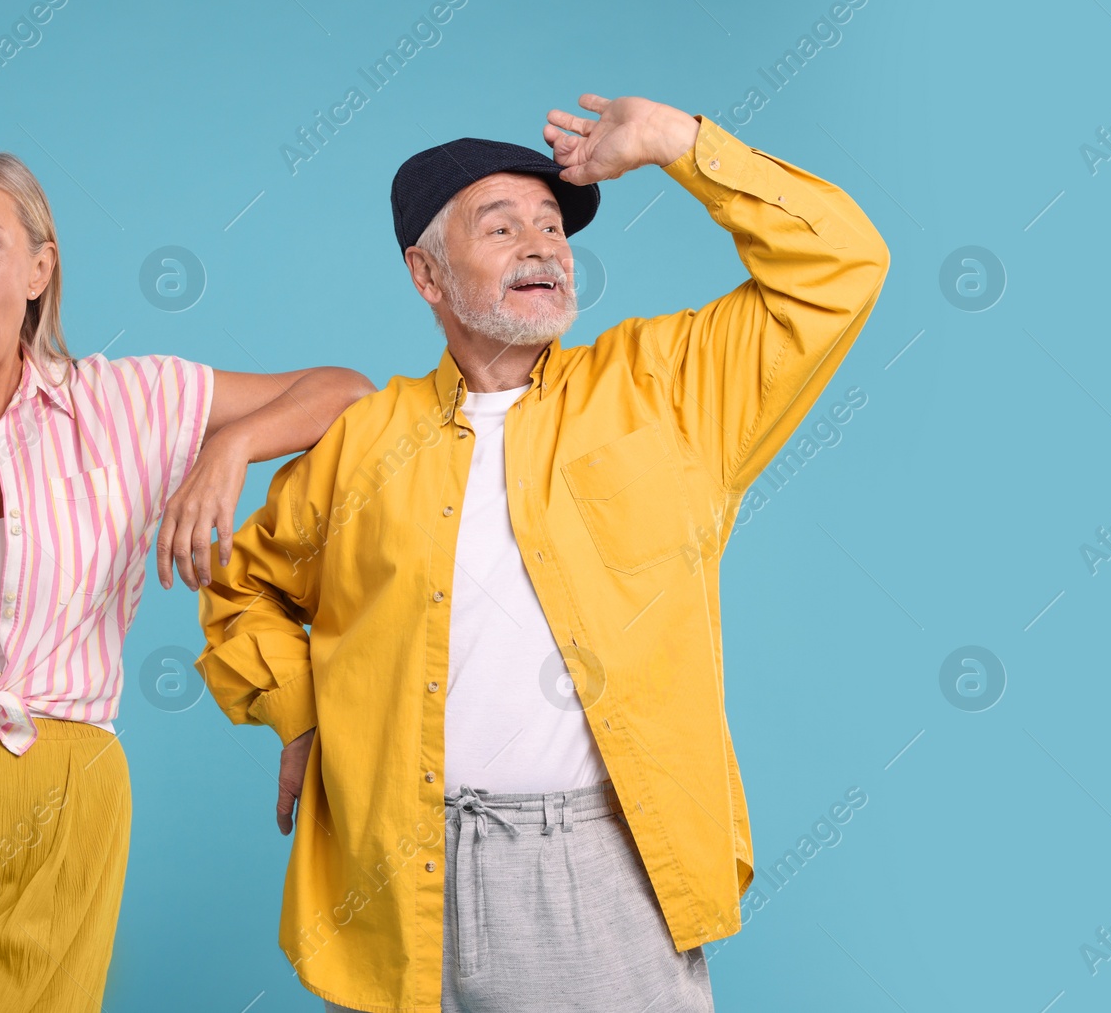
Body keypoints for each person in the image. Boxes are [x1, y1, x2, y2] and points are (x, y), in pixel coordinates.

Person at [196, 92, 891, 1012]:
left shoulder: (667, 391)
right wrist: (299, 710)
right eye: (502, 226)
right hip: (390, 872)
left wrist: (677, 145)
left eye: (553, 225)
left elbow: (841, 265)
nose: (543, 245)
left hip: (598, 870)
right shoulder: (361, 444)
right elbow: (244, 590)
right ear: (427, 274)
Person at [0, 147, 374, 1011]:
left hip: (59, 796)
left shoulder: (127, 403)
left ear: (41, 268)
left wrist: (228, 448)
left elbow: (346, 392)